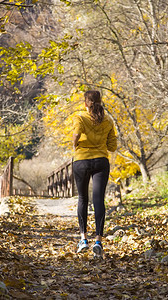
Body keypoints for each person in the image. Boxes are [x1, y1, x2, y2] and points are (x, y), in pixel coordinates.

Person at [72, 90, 117, 257]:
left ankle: (83, 239)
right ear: (100, 102)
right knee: (99, 199)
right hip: (101, 162)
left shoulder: (80, 117)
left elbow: (76, 134)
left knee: (83, 198)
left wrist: (76, 145)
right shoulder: (108, 120)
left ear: (85, 103)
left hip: (81, 161)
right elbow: (112, 146)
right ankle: (98, 241)